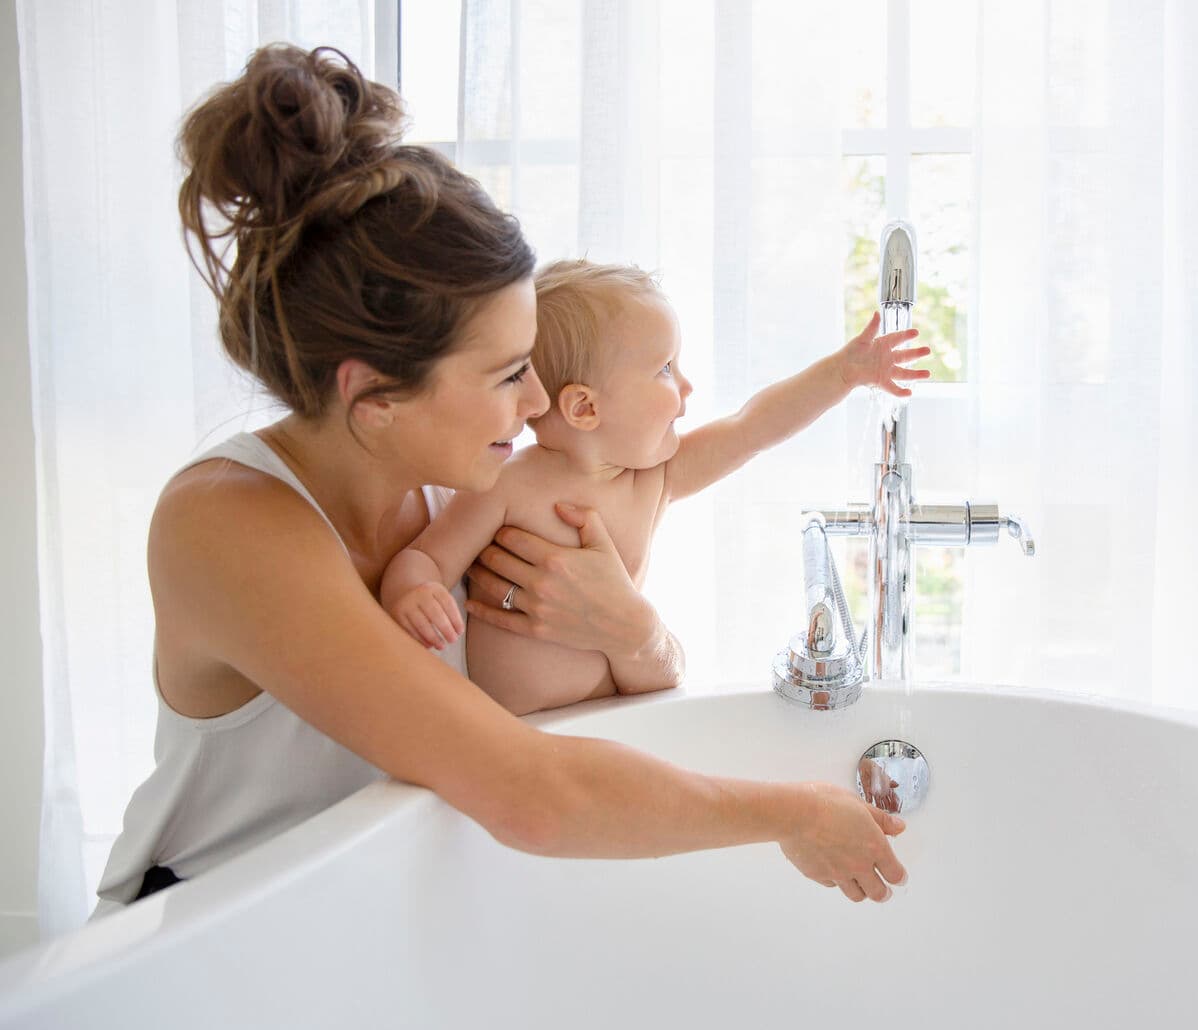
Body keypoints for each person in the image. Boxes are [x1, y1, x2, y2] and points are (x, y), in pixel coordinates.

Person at [93, 43, 908, 914]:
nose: (536, 403)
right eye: (507, 373)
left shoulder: (468, 486)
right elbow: (535, 794)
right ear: (372, 397)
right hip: (197, 951)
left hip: (370, 930)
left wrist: (634, 633)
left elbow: (597, 705)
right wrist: (792, 812)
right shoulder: (228, 523)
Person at [380, 260, 930, 712]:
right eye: (666, 368)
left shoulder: (655, 478)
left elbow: (752, 427)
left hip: (622, 715)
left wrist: (842, 374)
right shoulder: (504, 482)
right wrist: (416, 592)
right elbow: (424, 560)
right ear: (585, 407)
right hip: (518, 738)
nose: (687, 385)